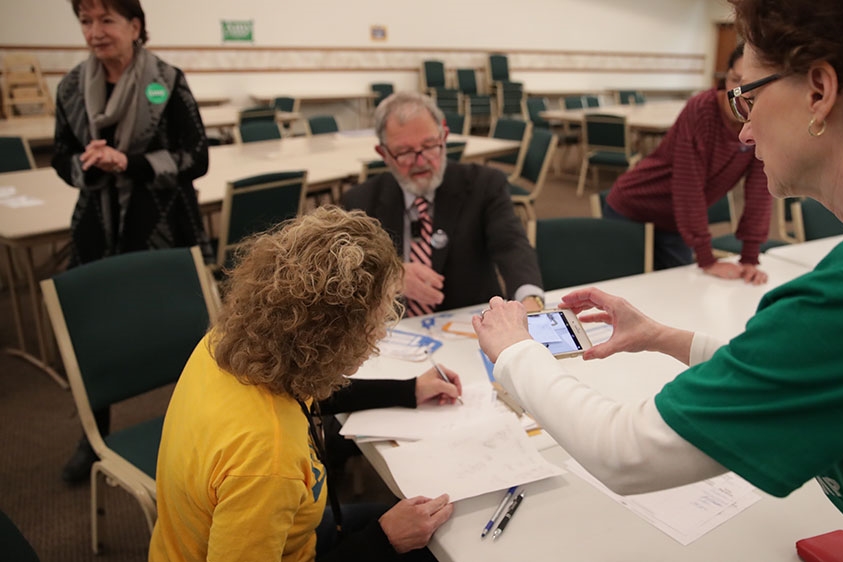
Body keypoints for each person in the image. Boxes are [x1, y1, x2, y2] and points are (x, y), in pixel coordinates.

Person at [474, 1, 843, 560]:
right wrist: (662, 337)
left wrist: (515, 352)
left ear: (819, 91)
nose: (744, 130)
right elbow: (824, 368)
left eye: (748, 95)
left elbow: (626, 453)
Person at [149, 206, 458, 562]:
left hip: (283, 533)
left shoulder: (231, 344)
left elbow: (310, 394)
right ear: (335, 336)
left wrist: (408, 389)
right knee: (439, 547)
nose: (381, 333)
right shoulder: (269, 461)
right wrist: (385, 539)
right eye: (379, 319)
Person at [53, 0, 212, 484]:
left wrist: (131, 164)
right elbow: (61, 155)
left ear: (135, 26)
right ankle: (93, 436)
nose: (95, 31)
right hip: (98, 228)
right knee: (92, 336)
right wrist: (86, 162)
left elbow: (197, 157)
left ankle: (199, 427)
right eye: (86, 21)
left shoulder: (167, 79)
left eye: (107, 20)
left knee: (185, 331)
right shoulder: (71, 88)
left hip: (162, 224)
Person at [342, 91, 544, 316]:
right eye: (405, 152)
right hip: (395, 331)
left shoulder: (484, 184)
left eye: (430, 146)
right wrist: (390, 278)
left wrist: (530, 301)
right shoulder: (361, 201)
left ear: (444, 137)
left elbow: (512, 245)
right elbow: (348, 274)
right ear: (384, 154)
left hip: (472, 324)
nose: (421, 162)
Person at [603, 44, 770, 284]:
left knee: (679, 290)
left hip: (675, 221)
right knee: (624, 288)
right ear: (724, 79)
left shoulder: (760, 120)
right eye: (735, 80)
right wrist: (706, 258)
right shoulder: (702, 109)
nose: (741, 92)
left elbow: (759, 190)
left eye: (753, 85)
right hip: (634, 207)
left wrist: (749, 258)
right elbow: (687, 185)